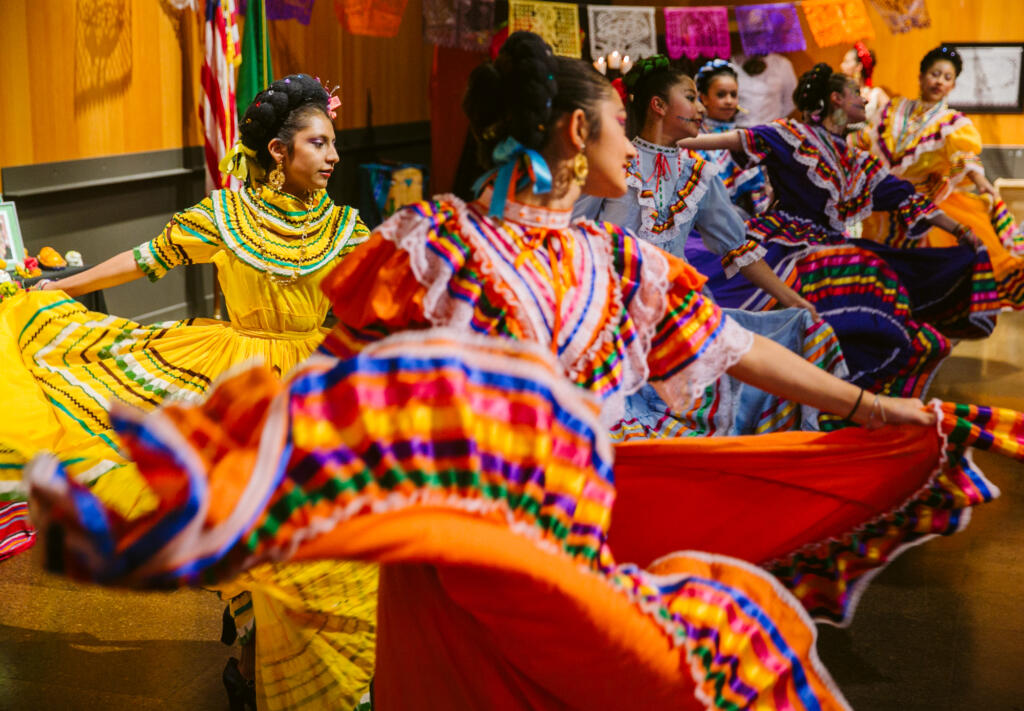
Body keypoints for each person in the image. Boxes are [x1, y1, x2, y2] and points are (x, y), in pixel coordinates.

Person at [25, 33, 1024, 710]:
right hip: (466, 554)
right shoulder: (434, 241)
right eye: (621, 126)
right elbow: (335, 377)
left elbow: (731, 343)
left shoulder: (620, 263)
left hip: (557, 546)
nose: (634, 143)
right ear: (575, 135)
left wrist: (870, 404)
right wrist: (229, 480)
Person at [0, 74, 376, 710]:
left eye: (334, 142)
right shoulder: (227, 217)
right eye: (320, 143)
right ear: (280, 152)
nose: (334, 156)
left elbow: (381, 292)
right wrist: (59, 288)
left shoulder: (344, 226)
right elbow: (147, 258)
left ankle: (299, 667)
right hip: (241, 377)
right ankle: (253, 666)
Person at [678, 63, 1001, 399]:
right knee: (849, 272)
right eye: (855, 95)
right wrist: (666, 136)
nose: (864, 101)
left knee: (887, 270)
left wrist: (960, 229)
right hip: (782, 242)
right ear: (836, 99)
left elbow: (905, 196)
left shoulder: (856, 160)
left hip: (829, 243)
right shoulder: (790, 134)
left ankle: (840, 388)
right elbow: (724, 140)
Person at [577, 55, 845, 439]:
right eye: (691, 97)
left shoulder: (700, 173)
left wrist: (795, 302)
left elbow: (740, 250)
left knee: (793, 333)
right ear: (659, 105)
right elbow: (571, 228)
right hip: (613, 316)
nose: (701, 107)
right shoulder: (615, 162)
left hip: (677, 315)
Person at [854, 45, 1024, 309]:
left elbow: (963, 158)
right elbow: (867, 139)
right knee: (879, 266)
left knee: (917, 271)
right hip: (882, 207)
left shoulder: (951, 122)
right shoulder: (895, 109)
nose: (939, 82)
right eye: (935, 74)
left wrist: (983, 184)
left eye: (947, 78)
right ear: (921, 76)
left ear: (953, 85)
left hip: (923, 206)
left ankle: (916, 319)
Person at [695, 58, 771, 217]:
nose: (729, 101)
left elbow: (757, 191)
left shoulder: (743, 137)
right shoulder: (695, 137)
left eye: (733, 94)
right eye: (721, 95)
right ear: (704, 98)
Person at [839, 41, 889, 126]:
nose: (841, 65)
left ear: (859, 66)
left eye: (846, 62)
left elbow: (893, 115)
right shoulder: (840, 91)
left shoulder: (876, 93)